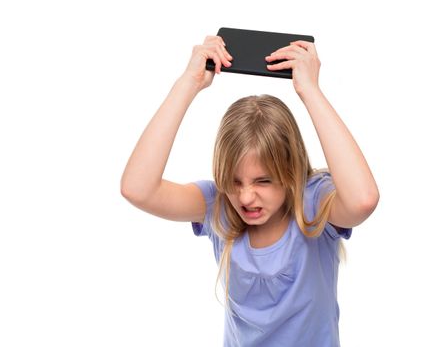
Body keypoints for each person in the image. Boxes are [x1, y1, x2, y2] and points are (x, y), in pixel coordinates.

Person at [121, 35, 380, 347]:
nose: (244, 197)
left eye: (263, 181)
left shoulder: (314, 204)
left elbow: (363, 200)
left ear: (291, 171)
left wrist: (310, 91)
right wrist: (187, 84)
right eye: (234, 181)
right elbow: (137, 188)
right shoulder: (218, 206)